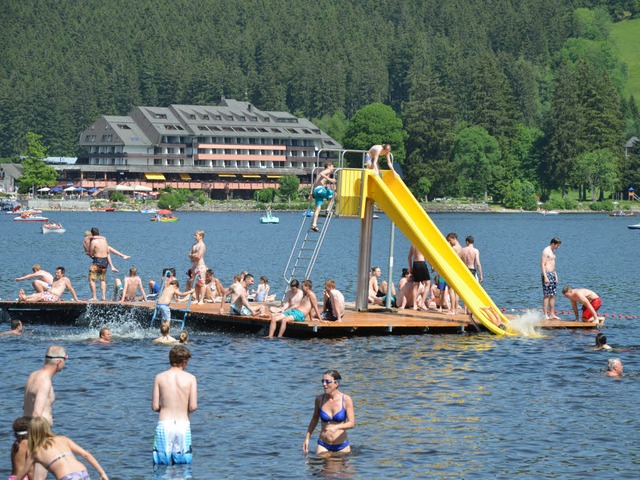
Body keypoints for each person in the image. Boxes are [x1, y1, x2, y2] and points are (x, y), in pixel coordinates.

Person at [14, 417, 108, 480]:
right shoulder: (63, 439)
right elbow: (86, 454)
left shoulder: (36, 452)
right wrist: (102, 473)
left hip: (66, 476)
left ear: (32, 432)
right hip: (82, 473)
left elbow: (22, 473)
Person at [23, 346, 67, 480]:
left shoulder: (33, 375)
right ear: (59, 362)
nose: (66, 361)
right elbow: (37, 412)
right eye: (65, 358)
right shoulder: (44, 381)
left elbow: (25, 406)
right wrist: (41, 441)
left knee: (28, 473)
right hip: (40, 434)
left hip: (27, 431)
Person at [152, 345, 198, 465]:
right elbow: (193, 407)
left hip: (165, 424)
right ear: (184, 362)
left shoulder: (159, 377)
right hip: (183, 425)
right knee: (183, 466)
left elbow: (155, 407)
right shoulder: (191, 378)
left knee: (161, 467)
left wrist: (166, 406)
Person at [303, 370, 355, 455]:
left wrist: (336, 427)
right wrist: (307, 438)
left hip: (341, 445)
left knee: (340, 467)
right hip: (323, 444)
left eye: (327, 381)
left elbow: (351, 423)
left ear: (336, 384)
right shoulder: (319, 399)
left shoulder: (346, 400)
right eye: (323, 381)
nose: (324, 384)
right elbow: (314, 419)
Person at [86, 227, 130, 301]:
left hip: (97, 261)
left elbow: (91, 253)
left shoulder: (93, 242)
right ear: (98, 233)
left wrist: (89, 253)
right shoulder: (104, 240)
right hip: (105, 262)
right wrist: (111, 266)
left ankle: (94, 297)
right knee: (102, 279)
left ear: (92, 234)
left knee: (91, 279)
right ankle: (103, 297)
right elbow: (107, 252)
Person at [310, 162, 337, 232]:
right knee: (335, 194)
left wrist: (311, 193)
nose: (333, 168)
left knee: (318, 208)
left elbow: (314, 183)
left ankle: (314, 224)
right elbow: (321, 174)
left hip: (316, 190)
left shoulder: (320, 175)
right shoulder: (327, 171)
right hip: (320, 189)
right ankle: (328, 210)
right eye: (332, 166)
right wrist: (330, 179)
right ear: (329, 166)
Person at [541, 237, 561, 320]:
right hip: (547, 274)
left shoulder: (553, 251)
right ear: (553, 244)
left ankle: (552, 314)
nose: (558, 247)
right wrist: (545, 277)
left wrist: (555, 275)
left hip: (552, 273)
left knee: (553, 295)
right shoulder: (546, 251)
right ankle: (545, 314)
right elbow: (542, 264)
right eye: (557, 245)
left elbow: (553, 263)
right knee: (547, 295)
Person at [408, 245, 430, 311]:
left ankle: (414, 305)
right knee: (428, 284)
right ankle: (422, 303)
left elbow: (409, 257)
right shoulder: (422, 244)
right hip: (422, 263)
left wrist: (411, 267)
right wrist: (432, 266)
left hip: (415, 264)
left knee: (415, 285)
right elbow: (428, 256)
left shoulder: (413, 245)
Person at [445, 233, 463, 315]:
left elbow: (448, 258)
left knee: (451, 290)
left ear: (454, 238)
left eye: (450, 240)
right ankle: (456, 310)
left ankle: (452, 310)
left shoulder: (454, 248)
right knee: (456, 291)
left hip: (453, 270)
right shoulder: (461, 248)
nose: (449, 242)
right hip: (458, 271)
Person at [188, 230, 207, 304]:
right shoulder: (194, 245)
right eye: (194, 235)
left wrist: (193, 255)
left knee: (202, 283)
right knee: (195, 283)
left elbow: (199, 256)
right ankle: (197, 299)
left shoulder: (202, 245)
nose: (194, 237)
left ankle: (201, 300)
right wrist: (193, 255)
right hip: (194, 266)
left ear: (201, 236)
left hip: (200, 266)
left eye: (196, 235)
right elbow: (189, 255)